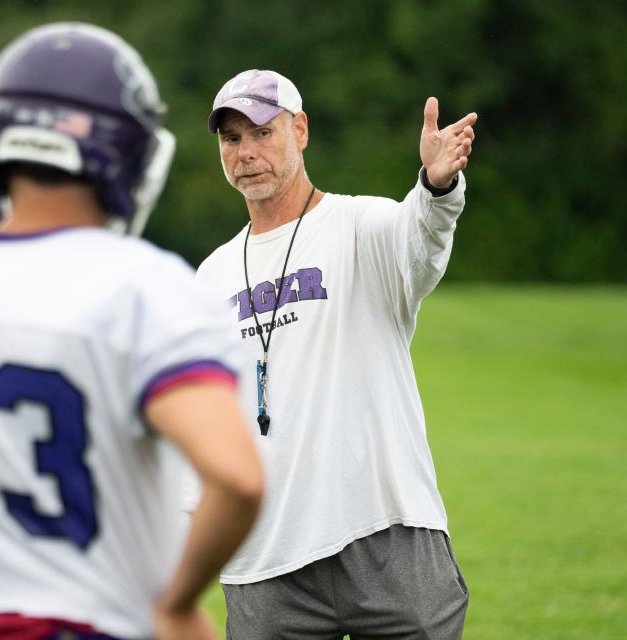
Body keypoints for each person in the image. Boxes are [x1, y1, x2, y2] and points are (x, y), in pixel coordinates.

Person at [0, 22, 264, 640]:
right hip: (80, 620)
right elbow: (239, 479)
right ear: (124, 153)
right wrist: (175, 602)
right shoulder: (147, 288)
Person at [197, 68, 477, 639]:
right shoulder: (212, 274)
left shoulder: (363, 225)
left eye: (261, 132)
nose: (246, 152)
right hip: (266, 560)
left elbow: (421, 240)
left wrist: (437, 188)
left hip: (387, 534)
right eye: (231, 139)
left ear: (300, 130)